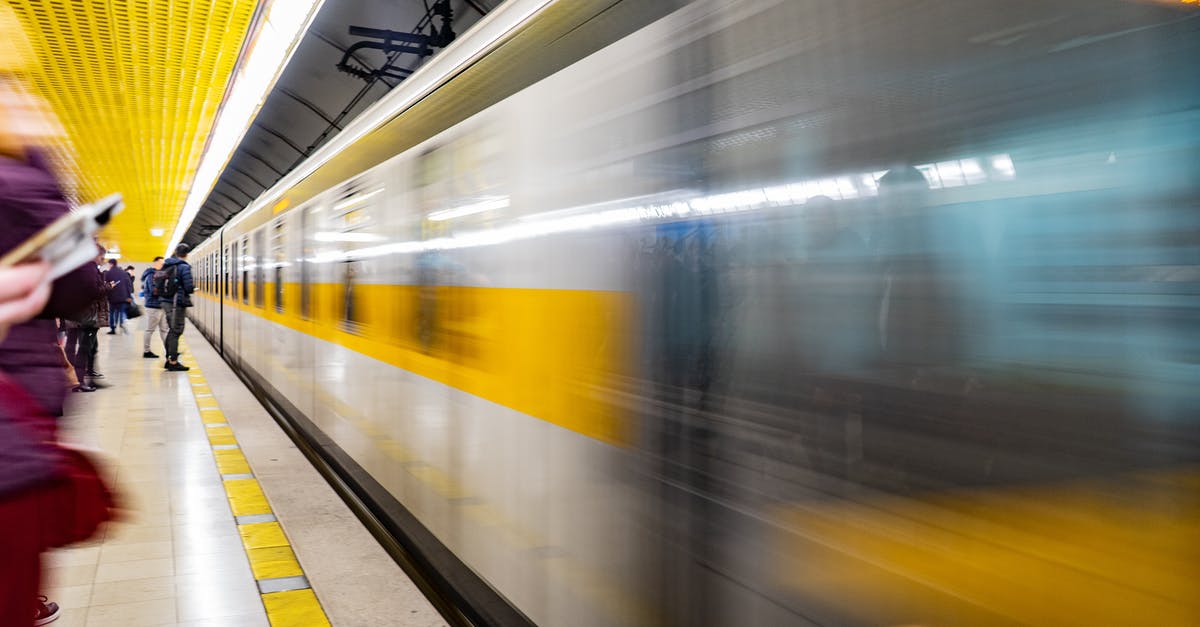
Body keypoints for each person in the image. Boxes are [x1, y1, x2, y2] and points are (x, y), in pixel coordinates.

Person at [160, 243, 194, 371]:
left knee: (172, 330)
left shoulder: (167, 264)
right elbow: (189, 287)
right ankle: (173, 362)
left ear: (176, 252)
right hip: (177, 302)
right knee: (176, 330)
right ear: (186, 254)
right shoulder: (183, 267)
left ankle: (169, 358)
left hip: (166, 301)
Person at [139, 256, 168, 358]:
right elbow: (154, 291)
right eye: (161, 263)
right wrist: (166, 292)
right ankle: (146, 351)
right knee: (150, 330)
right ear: (155, 263)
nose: (163, 265)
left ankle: (169, 350)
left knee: (164, 330)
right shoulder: (151, 275)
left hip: (161, 306)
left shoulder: (160, 274)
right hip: (153, 306)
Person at [102, 259, 132, 335]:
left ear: (111, 264)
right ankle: (122, 324)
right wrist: (129, 295)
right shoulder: (123, 272)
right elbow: (128, 285)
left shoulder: (109, 273)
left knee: (112, 313)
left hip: (112, 297)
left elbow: (106, 285)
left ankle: (113, 329)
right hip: (123, 296)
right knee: (121, 312)